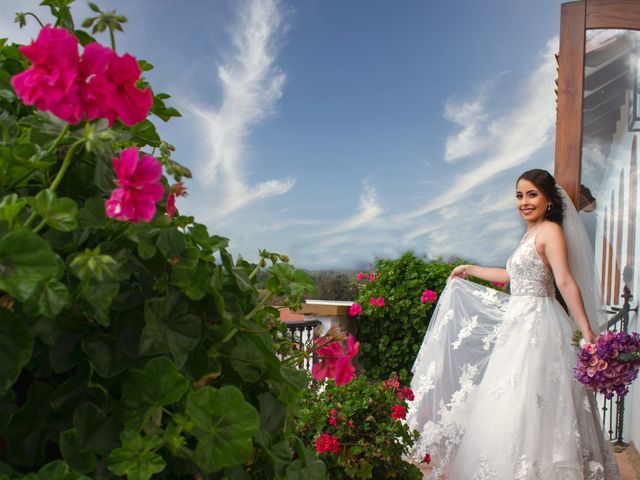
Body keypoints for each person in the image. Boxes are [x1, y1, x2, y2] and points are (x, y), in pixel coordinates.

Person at [406, 169, 620, 479]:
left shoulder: (550, 231)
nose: (524, 201)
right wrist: (469, 268)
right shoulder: (530, 234)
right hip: (517, 327)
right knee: (511, 401)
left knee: (536, 400)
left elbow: (564, 280)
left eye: (532, 194)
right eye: (519, 195)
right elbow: (511, 276)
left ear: (548, 200)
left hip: (539, 328)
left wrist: (586, 330)